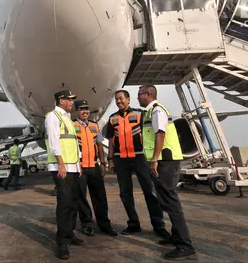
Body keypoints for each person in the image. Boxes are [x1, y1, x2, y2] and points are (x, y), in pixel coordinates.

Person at [137, 85, 196, 261]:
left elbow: (160, 135)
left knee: (171, 202)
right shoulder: (149, 112)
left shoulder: (156, 111)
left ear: (148, 95)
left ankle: (186, 245)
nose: (138, 97)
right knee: (166, 200)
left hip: (165, 161)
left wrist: (154, 159)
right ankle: (177, 237)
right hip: (162, 161)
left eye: (139, 94)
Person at [105, 90, 167, 237]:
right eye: (116, 99)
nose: (119, 101)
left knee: (150, 192)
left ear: (128, 99)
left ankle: (159, 225)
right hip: (120, 159)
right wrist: (110, 159)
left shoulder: (140, 114)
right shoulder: (112, 118)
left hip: (140, 157)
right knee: (125, 193)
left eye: (121, 98)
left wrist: (154, 157)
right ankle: (133, 223)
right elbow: (111, 141)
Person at [45, 90, 83, 260]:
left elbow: (74, 143)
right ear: (61, 100)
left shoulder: (68, 118)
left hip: (73, 166)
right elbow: (54, 141)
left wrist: (79, 163)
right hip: (62, 166)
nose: (72, 102)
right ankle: (62, 240)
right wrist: (60, 163)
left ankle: (69, 233)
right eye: (70, 99)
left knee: (74, 202)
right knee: (65, 201)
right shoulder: (53, 116)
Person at [73, 99, 118, 237]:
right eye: (82, 109)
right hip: (80, 167)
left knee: (100, 197)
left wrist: (103, 163)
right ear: (77, 111)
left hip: (94, 166)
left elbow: (99, 145)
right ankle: (87, 224)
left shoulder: (94, 126)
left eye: (86, 108)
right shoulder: (71, 125)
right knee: (81, 198)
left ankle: (104, 224)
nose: (85, 111)